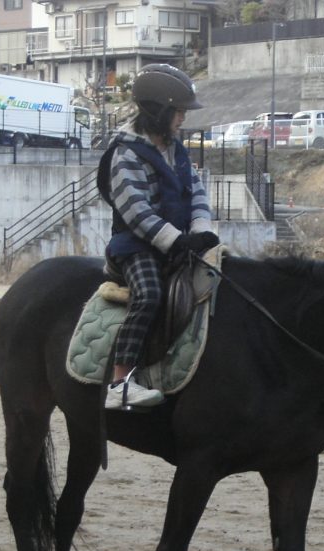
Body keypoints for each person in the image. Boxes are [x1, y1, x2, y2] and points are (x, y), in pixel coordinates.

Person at [98, 64, 219, 410]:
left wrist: (201, 230)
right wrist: (176, 241)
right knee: (150, 294)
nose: (183, 117)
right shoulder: (125, 153)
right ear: (157, 111)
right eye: (178, 111)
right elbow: (136, 211)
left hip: (176, 242)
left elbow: (195, 190)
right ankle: (120, 383)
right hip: (136, 247)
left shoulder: (175, 148)